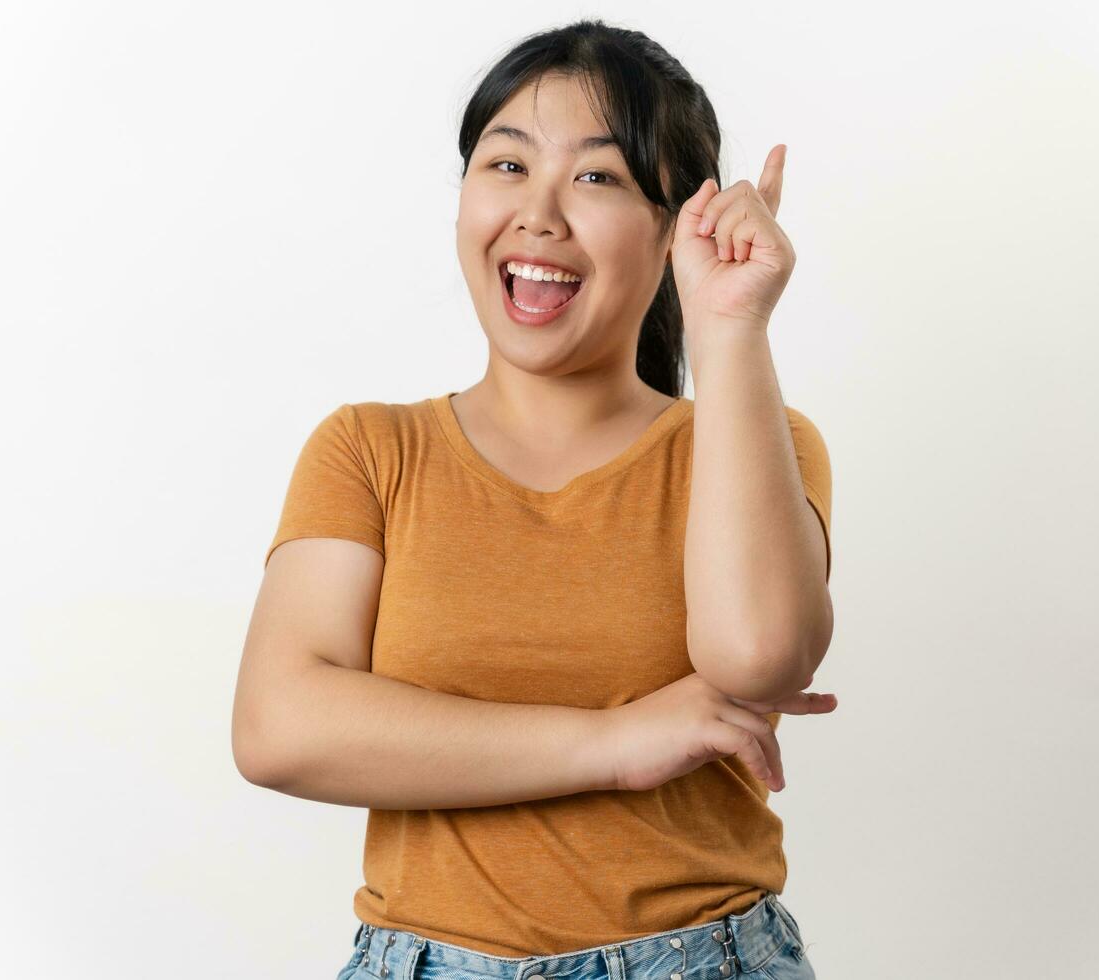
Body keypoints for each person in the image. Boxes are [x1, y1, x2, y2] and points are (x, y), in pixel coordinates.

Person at [232, 19, 835, 980]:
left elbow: (758, 657)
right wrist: (614, 741)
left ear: (678, 223)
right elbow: (279, 728)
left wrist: (729, 329)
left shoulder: (752, 442)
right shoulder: (370, 451)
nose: (539, 214)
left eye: (597, 177)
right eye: (505, 165)